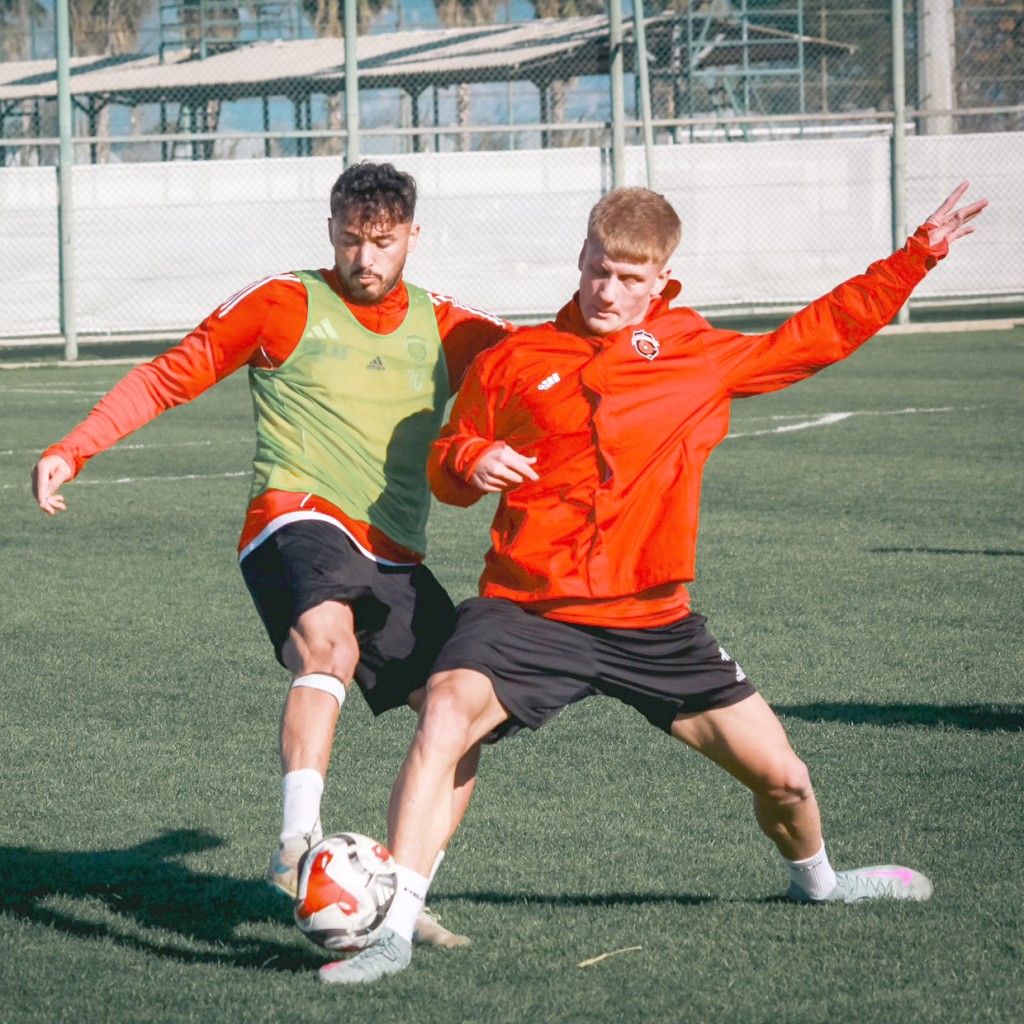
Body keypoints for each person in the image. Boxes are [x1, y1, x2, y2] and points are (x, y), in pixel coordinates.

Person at [317, 181, 988, 984]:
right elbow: (447, 465)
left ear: (662, 280)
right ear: (581, 258)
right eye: (598, 270)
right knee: (445, 714)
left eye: (630, 279)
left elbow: (817, 335)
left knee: (785, 779)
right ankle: (392, 932)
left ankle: (820, 884)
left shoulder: (696, 352)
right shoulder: (513, 360)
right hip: (530, 610)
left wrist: (914, 258)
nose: (608, 291)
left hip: (653, 621)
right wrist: (469, 457)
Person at [31, 160, 515, 948]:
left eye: (383, 243)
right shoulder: (283, 303)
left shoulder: (453, 326)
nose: (365, 258)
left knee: (462, 714)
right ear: (331, 231)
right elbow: (167, 378)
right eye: (351, 240)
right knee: (330, 644)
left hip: (393, 551)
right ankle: (297, 844)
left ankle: (396, 895)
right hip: (296, 517)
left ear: (412, 237)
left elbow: (546, 365)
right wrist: (73, 448)